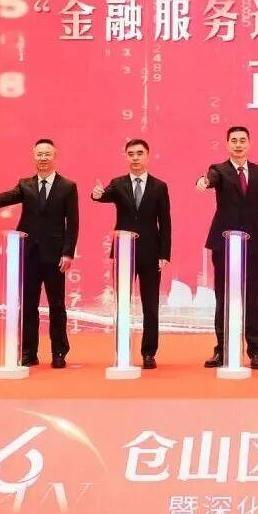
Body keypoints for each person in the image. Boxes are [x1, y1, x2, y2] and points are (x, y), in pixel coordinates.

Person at [0, 138, 79, 369]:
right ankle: (28, 352)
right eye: (39, 154)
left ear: (54, 156)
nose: (43, 158)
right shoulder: (25, 184)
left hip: (55, 256)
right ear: (34, 156)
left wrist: (68, 253)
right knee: (28, 305)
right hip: (29, 255)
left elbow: (73, 223)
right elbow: (10, 195)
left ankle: (59, 352)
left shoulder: (68, 186)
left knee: (57, 306)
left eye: (47, 154)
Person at [196, 126, 258, 370]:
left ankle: (256, 351)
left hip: (252, 242)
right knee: (223, 296)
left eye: (242, 140)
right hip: (224, 242)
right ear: (227, 144)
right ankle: (222, 349)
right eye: (233, 141)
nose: (238, 145)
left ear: (249, 143)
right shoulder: (219, 170)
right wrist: (203, 181)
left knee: (252, 298)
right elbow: (209, 179)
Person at [91, 139, 172, 369]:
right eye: (131, 154)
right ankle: (122, 350)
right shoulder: (118, 184)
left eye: (139, 153)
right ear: (126, 157)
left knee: (150, 306)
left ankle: (149, 353)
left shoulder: (159, 186)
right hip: (124, 253)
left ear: (147, 156)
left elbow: (165, 222)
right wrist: (96, 194)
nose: (135, 157)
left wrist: (164, 254)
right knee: (122, 304)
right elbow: (103, 195)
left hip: (150, 253)